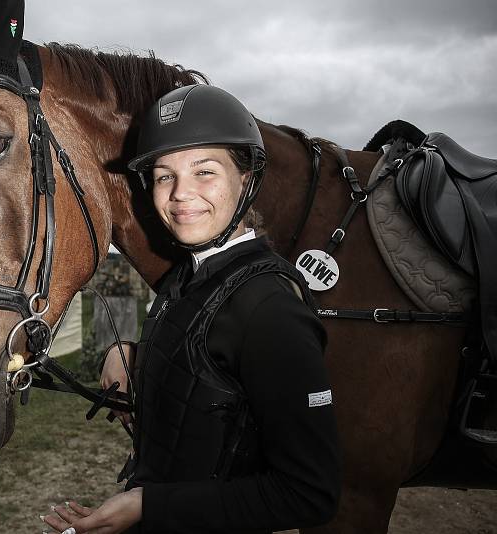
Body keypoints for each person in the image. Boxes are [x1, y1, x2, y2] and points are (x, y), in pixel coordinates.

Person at [40, 85, 341, 534]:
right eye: (164, 176)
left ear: (247, 179)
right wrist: (130, 355)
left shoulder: (272, 311)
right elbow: (208, 359)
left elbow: (309, 494)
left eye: (204, 172)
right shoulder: (187, 276)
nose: (181, 194)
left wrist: (147, 505)